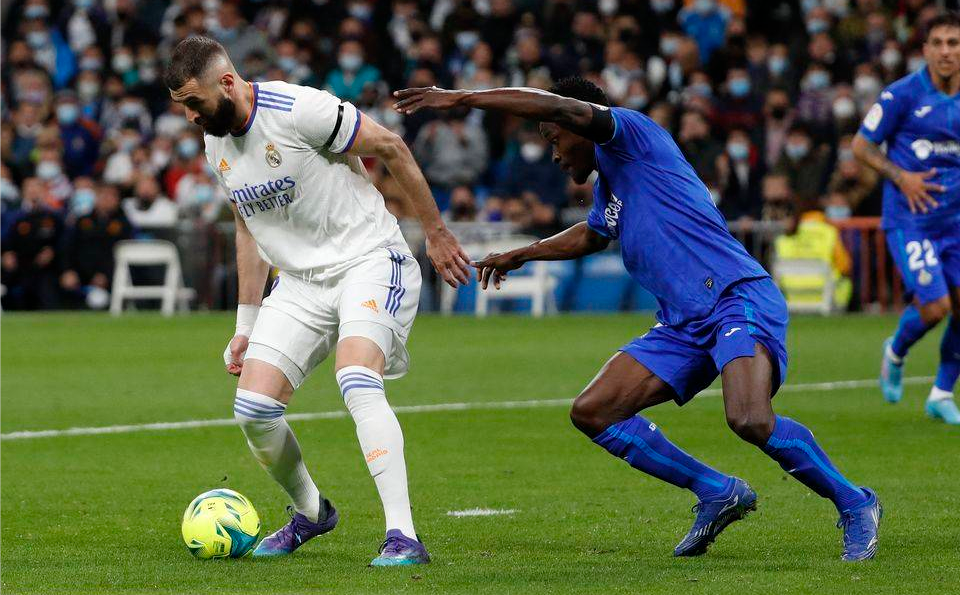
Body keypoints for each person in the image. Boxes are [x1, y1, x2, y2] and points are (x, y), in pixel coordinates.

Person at [392, 76, 881, 561]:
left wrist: (463, 98)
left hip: (734, 296)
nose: (557, 153)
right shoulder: (610, 183)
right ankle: (717, 490)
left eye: (556, 138)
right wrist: (524, 253)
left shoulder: (633, 135)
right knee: (594, 411)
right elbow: (591, 235)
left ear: (578, 122)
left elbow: (562, 107)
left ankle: (855, 502)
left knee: (749, 418)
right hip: (682, 322)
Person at [164, 35, 470, 565]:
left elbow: (391, 146)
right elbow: (247, 224)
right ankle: (311, 512)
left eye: (194, 102)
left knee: (356, 378)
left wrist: (436, 233)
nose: (191, 116)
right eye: (183, 106)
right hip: (303, 282)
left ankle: (403, 535)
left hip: (369, 260)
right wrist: (246, 322)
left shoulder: (300, 109)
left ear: (228, 83)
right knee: (254, 409)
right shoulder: (216, 142)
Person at [852, 12, 960, 425]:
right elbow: (861, 146)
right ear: (924, 50)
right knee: (936, 306)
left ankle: (941, 394)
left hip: (956, 219)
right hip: (910, 219)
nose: (945, 51)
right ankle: (896, 351)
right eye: (937, 43)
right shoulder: (901, 94)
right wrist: (903, 178)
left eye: (953, 43)